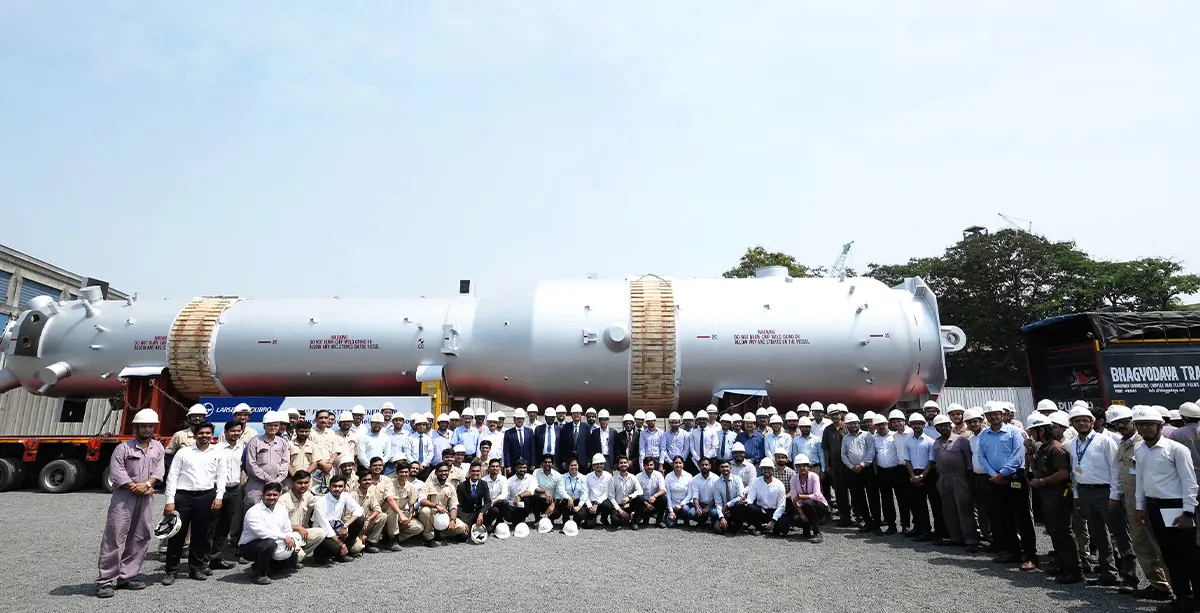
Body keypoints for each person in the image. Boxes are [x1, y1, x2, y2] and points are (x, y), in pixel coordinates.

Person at [1132, 406, 1199, 609]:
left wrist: (1188, 512)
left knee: (1188, 555)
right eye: (1140, 425)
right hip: (1154, 507)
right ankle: (1182, 597)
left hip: (1176, 507)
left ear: (1160, 426)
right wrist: (1140, 507)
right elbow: (1140, 480)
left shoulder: (1176, 449)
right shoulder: (1140, 449)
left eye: (1150, 425)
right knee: (1169, 555)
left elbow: (1190, 483)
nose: (1145, 428)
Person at [96, 409, 166, 598]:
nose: (147, 429)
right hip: (124, 497)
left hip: (146, 496)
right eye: (144, 426)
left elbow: (159, 471)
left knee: (140, 535)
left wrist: (147, 485)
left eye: (150, 426)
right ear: (136, 427)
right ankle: (105, 581)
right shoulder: (123, 449)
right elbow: (117, 472)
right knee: (115, 536)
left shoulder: (158, 448)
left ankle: (127, 576)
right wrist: (134, 486)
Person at [1067, 405, 1136, 590]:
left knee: (1119, 534)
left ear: (1093, 422)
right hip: (1085, 491)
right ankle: (1108, 573)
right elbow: (1074, 471)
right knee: (1098, 534)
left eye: (1085, 420)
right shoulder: (1073, 444)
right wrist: (1076, 495)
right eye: (1077, 421)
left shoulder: (1105, 441)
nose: (1082, 423)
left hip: (1106, 491)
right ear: (1072, 424)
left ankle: (1130, 577)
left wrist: (1114, 495)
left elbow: (1115, 469)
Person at [1108, 406, 1174, 601]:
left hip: (1154, 501)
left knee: (1162, 545)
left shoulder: (1146, 444)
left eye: (1124, 422)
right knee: (1141, 544)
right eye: (1116, 424)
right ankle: (1159, 586)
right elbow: (1117, 473)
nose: (1120, 426)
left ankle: (1180, 589)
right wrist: (1115, 495)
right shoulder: (1122, 444)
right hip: (1132, 502)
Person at [162, 421, 226, 585]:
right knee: (177, 535)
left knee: (200, 535)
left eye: (208, 433)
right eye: (201, 433)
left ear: (212, 435)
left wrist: (219, 496)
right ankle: (171, 571)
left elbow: (221, 476)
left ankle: (195, 568)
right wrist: (170, 501)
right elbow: (172, 476)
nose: (204, 436)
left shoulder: (217, 453)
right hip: (183, 497)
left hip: (206, 497)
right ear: (195, 435)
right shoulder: (183, 452)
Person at [978, 403, 1038, 571]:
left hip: (1014, 477)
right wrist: (993, 475)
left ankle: (1030, 556)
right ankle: (1013, 552)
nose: (993, 417)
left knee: (1022, 518)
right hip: (995, 479)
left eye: (996, 413)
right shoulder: (984, 435)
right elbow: (981, 456)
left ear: (1003, 415)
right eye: (990, 414)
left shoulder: (1014, 432)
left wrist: (1002, 473)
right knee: (1004, 517)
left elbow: (1018, 455)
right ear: (986, 417)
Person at [1027, 412, 1082, 584]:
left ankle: (1074, 570)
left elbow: (1063, 474)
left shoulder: (1056, 449)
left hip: (1058, 496)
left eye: (1033, 431)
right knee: (1055, 532)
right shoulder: (1044, 448)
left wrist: (1042, 482)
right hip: (1048, 497)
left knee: (1062, 532)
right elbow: (1037, 469)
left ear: (1041, 431)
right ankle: (1062, 564)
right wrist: (1029, 453)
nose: (1030, 435)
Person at [931, 414, 979, 551]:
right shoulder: (936, 442)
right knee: (949, 510)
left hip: (959, 478)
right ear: (936, 429)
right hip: (943, 479)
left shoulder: (961, 440)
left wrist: (969, 479)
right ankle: (956, 538)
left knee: (964, 510)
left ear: (950, 425)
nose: (943, 428)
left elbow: (968, 460)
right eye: (940, 427)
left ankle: (971, 540)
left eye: (946, 425)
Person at [237, 482, 296, 584]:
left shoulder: (282, 509)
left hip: (274, 542)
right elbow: (262, 533)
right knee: (268, 543)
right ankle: (260, 575)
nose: (272, 497)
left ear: (279, 495)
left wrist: (292, 540)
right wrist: (284, 537)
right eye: (268, 495)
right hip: (249, 547)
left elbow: (287, 529)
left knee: (289, 564)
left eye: (275, 495)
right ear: (263, 495)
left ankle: (261, 567)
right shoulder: (253, 511)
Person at [789, 454, 828, 542]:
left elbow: (816, 495)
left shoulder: (814, 476)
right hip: (803, 506)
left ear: (808, 466)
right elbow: (793, 499)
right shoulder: (793, 479)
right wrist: (801, 514)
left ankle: (817, 533)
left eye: (804, 465)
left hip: (819, 506)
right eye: (799, 466)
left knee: (807, 503)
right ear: (796, 467)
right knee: (796, 518)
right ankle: (806, 529)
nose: (802, 468)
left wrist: (800, 496)